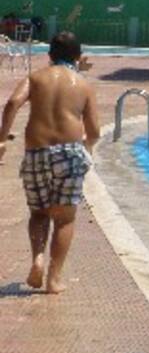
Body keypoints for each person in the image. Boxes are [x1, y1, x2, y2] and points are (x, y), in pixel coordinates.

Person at [0, 31, 100, 294]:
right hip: (69, 154)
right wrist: (87, 147)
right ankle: (54, 279)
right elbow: (95, 131)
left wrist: (2, 139)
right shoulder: (82, 84)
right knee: (65, 219)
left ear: (49, 55)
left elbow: (11, 104)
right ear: (78, 56)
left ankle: (37, 259)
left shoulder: (35, 78)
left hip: (36, 151)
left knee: (38, 213)